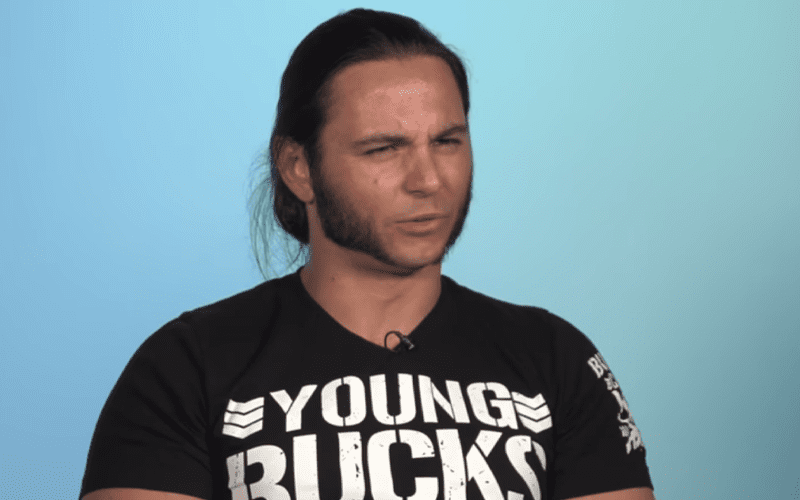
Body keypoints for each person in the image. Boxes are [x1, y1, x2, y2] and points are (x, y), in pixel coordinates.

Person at [80, 8, 655, 500]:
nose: (428, 180)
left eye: (447, 141)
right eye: (383, 149)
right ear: (298, 168)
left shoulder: (555, 359)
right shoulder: (185, 368)